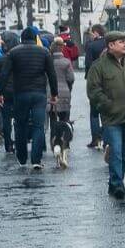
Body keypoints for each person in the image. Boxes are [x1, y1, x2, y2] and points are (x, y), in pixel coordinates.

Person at [86, 31, 125, 198]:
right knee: (116, 151)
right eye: (121, 42)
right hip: (112, 118)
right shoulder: (98, 66)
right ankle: (117, 184)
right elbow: (93, 91)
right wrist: (107, 105)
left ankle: (116, 181)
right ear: (111, 45)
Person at [0, 27, 59, 171]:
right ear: (35, 38)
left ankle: (22, 158)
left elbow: (5, 74)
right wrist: (54, 94)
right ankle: (36, 159)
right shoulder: (44, 52)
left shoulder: (14, 52)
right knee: (38, 126)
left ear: (22, 38)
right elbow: (51, 74)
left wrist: (0, 93)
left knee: (20, 125)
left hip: (21, 93)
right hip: (39, 94)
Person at [50, 39, 76, 167]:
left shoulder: (48, 61)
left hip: (51, 94)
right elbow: (71, 78)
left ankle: (54, 144)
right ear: (62, 49)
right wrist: (68, 87)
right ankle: (66, 144)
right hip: (65, 93)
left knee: (53, 122)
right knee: (65, 121)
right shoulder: (66, 62)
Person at [84, 24, 107, 148]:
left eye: (92, 33)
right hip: (107, 80)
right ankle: (105, 136)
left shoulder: (91, 45)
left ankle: (95, 138)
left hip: (94, 80)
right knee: (105, 110)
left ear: (96, 33)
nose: (91, 36)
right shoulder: (109, 43)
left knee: (94, 112)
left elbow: (88, 64)